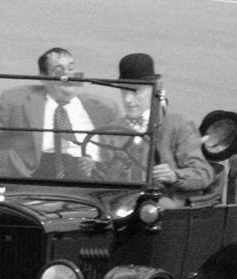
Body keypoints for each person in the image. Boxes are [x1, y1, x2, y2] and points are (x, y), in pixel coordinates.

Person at [0, 47, 120, 178]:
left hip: (87, 182)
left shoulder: (105, 108)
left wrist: (98, 165)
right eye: (59, 70)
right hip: (30, 181)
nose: (68, 75)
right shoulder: (17, 102)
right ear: (44, 78)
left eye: (71, 69)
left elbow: (122, 154)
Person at [85, 53, 213, 207]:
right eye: (124, 92)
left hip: (164, 210)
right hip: (120, 208)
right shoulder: (110, 132)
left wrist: (174, 176)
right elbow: (107, 182)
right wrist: (93, 170)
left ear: (153, 91)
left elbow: (203, 174)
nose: (128, 100)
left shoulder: (178, 125)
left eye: (135, 91)